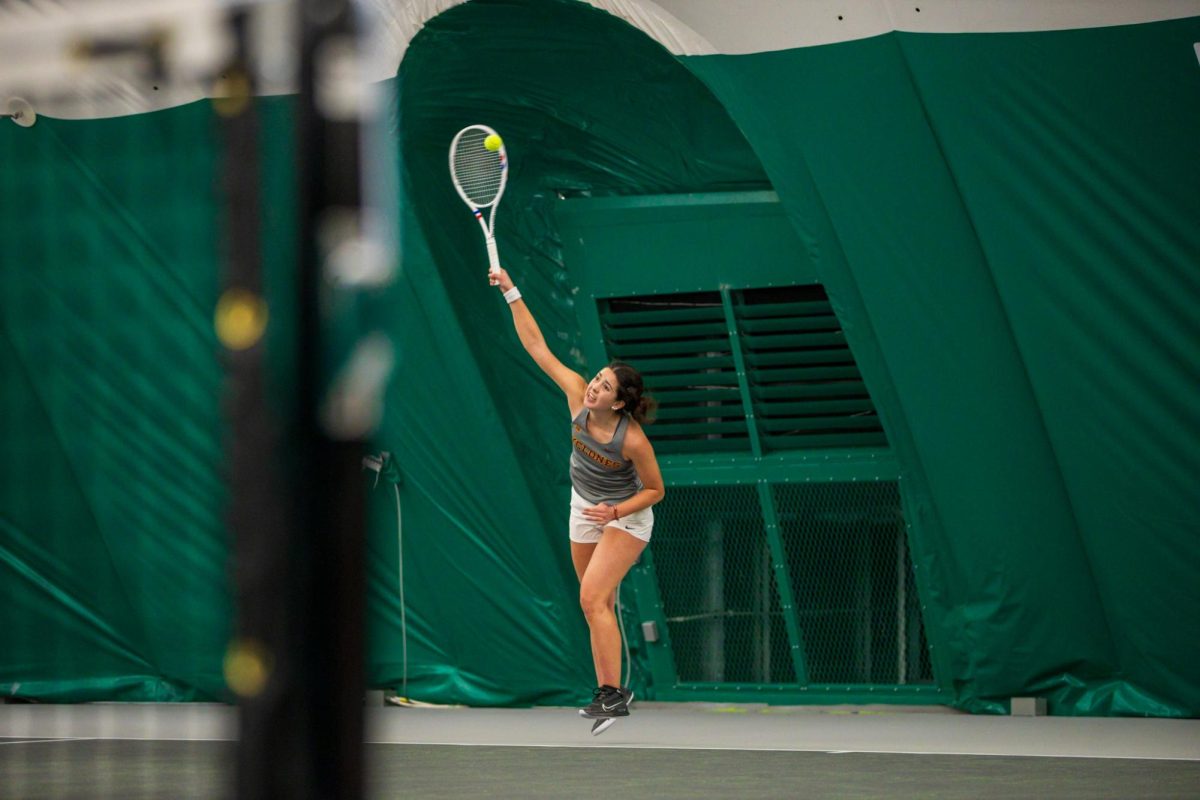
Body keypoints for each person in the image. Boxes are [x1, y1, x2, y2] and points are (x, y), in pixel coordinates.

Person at [492, 267, 665, 728]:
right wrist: (512, 290)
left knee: (593, 597)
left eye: (605, 386)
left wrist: (616, 511)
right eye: (597, 378)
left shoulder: (632, 442)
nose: (593, 386)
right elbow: (537, 346)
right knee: (595, 604)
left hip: (626, 515)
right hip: (583, 506)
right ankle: (610, 690)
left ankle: (611, 694)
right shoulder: (576, 396)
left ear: (620, 403)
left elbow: (656, 490)